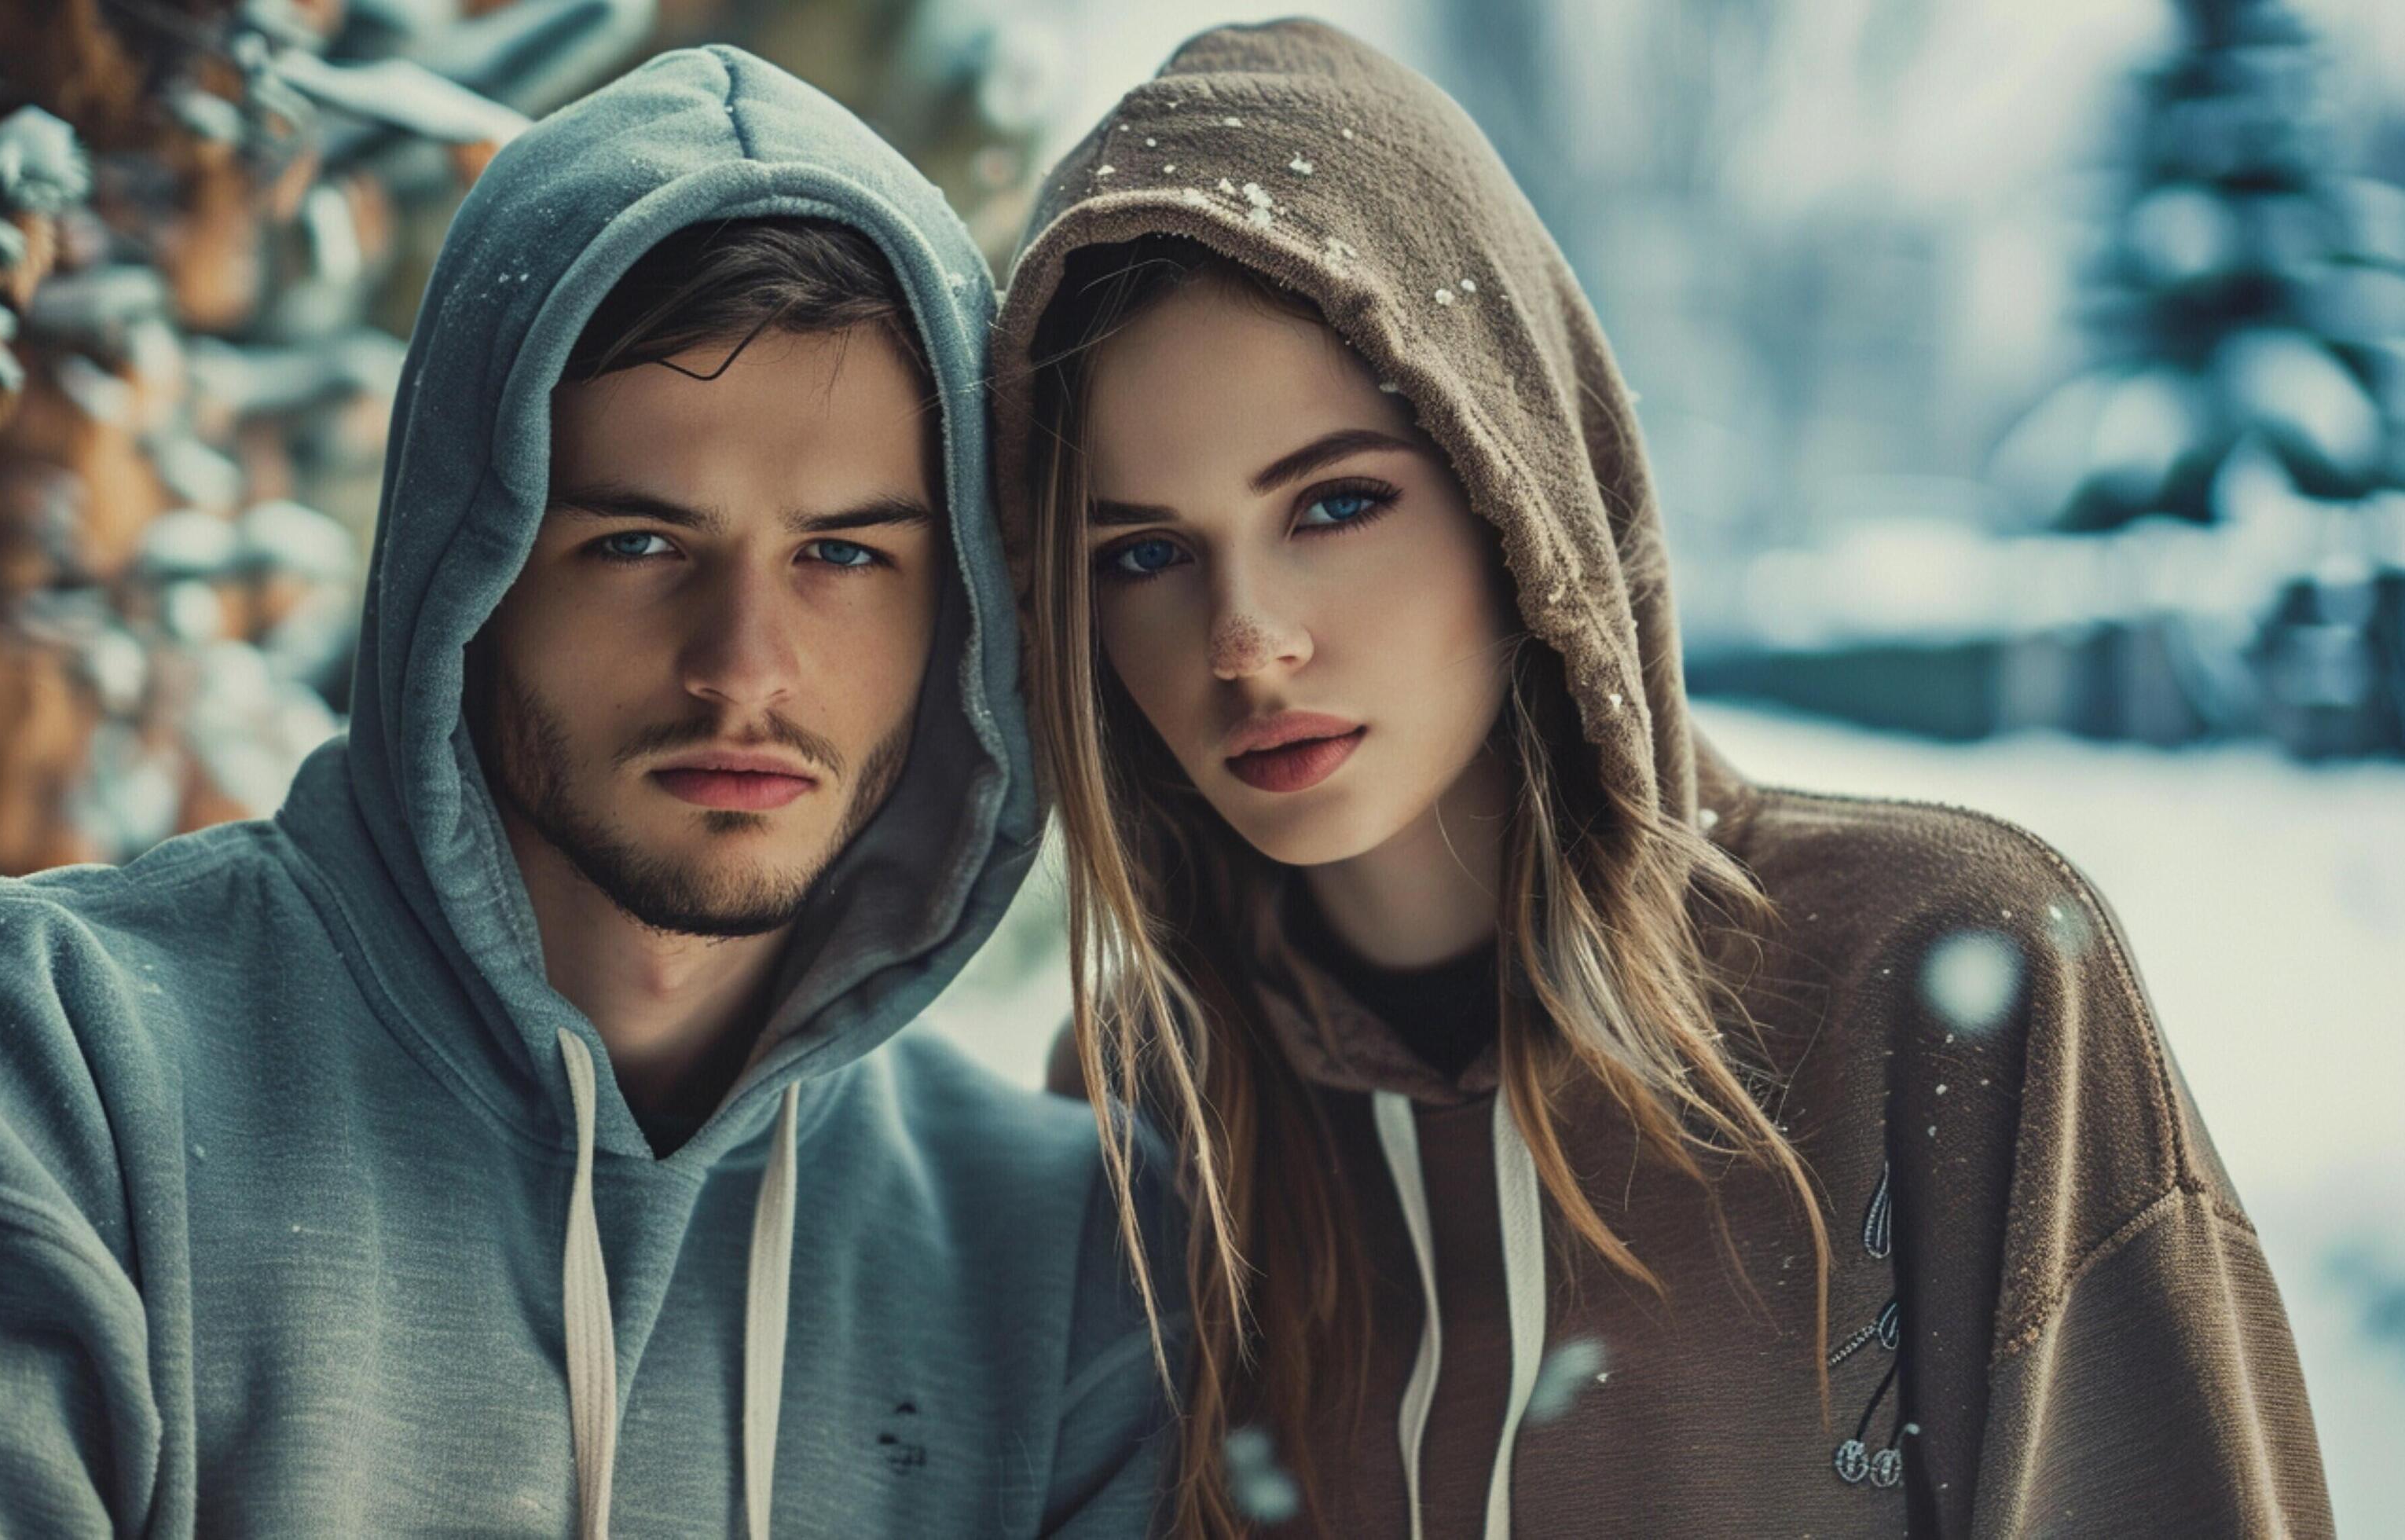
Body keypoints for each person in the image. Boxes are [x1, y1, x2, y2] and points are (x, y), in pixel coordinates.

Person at [0, 47, 1168, 1538]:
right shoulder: (30, 1072)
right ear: (467, 566)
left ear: (964, 615)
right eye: (636, 543)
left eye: (845, 554)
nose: (743, 667)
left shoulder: (1068, 1274)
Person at [990, 19, 2330, 1538]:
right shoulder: (1140, 1092)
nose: (1246, 639)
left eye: (1336, 501)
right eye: (1144, 552)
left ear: (1514, 488)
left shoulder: (1949, 977)